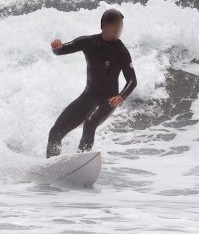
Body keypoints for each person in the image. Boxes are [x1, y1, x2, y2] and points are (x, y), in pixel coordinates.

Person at [46, 8, 137, 158]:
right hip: (88, 96)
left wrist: (121, 96)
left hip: (108, 100)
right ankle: (52, 163)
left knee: (90, 122)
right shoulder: (88, 42)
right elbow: (61, 50)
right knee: (55, 131)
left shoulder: (121, 51)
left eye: (120, 26)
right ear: (104, 26)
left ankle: (81, 159)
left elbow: (132, 80)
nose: (118, 29)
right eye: (115, 26)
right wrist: (57, 47)